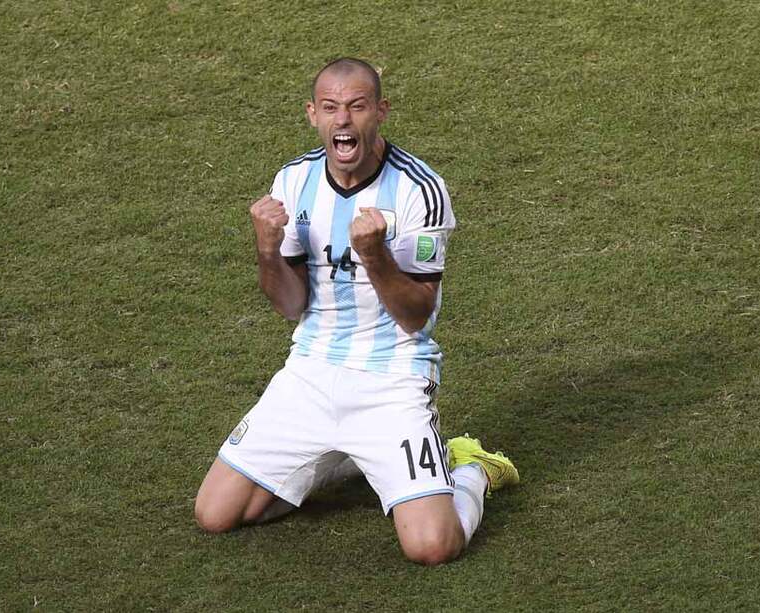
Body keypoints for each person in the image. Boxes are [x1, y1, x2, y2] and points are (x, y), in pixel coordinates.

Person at [194, 57, 519, 565]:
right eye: (330, 108)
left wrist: (373, 254)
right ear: (312, 115)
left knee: (432, 546)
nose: (342, 120)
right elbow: (289, 304)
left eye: (356, 107)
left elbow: (416, 314)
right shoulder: (294, 182)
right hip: (311, 373)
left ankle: (470, 468)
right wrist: (264, 249)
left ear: (380, 112)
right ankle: (348, 454)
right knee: (217, 515)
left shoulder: (420, 191)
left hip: (392, 379)